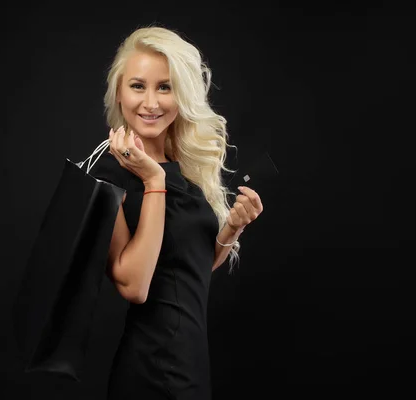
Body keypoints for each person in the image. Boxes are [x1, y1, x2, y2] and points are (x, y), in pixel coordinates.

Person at [89, 25, 264, 400]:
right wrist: (153, 181)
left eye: (164, 87)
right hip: (151, 371)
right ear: (119, 94)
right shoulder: (108, 172)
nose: (150, 102)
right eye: (138, 86)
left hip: (191, 366)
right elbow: (134, 286)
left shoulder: (180, 169)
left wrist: (230, 229)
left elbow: (185, 270)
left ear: (181, 94)